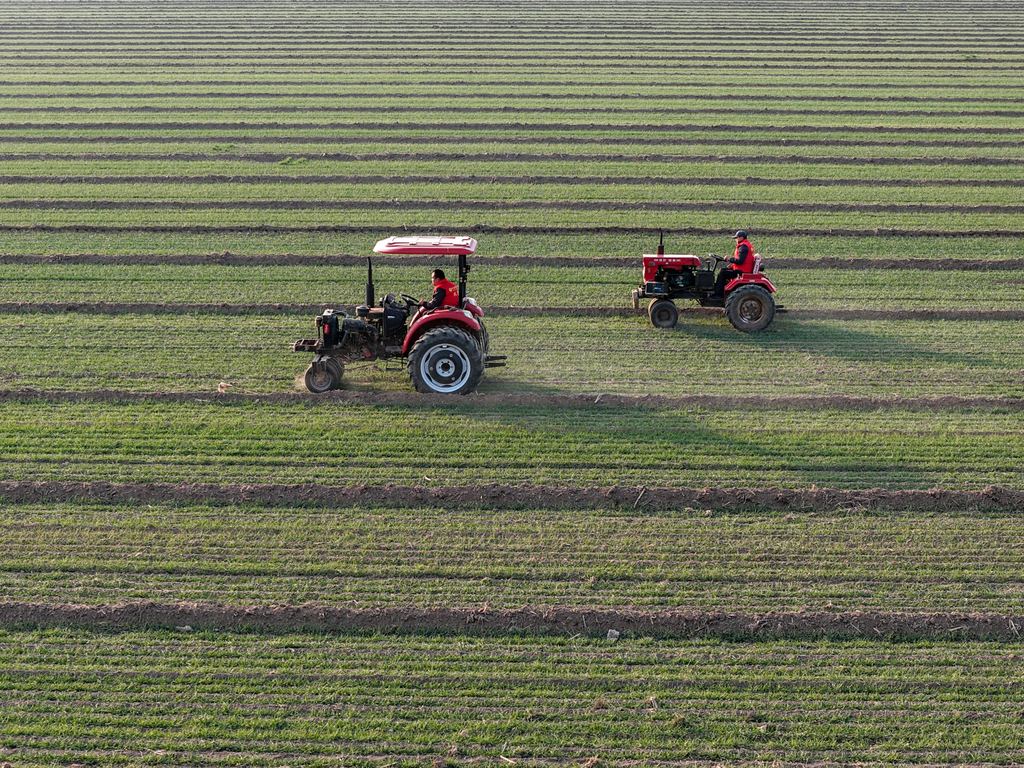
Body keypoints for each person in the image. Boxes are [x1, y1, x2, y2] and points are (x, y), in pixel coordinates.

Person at [714, 230, 757, 297]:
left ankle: (718, 294)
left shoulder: (743, 247)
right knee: (724, 270)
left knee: (722, 273)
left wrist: (729, 259)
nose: (736, 240)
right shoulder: (745, 245)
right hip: (743, 269)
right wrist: (732, 265)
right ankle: (721, 291)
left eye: (737, 238)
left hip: (742, 271)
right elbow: (743, 260)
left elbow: (740, 261)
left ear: (741, 238)